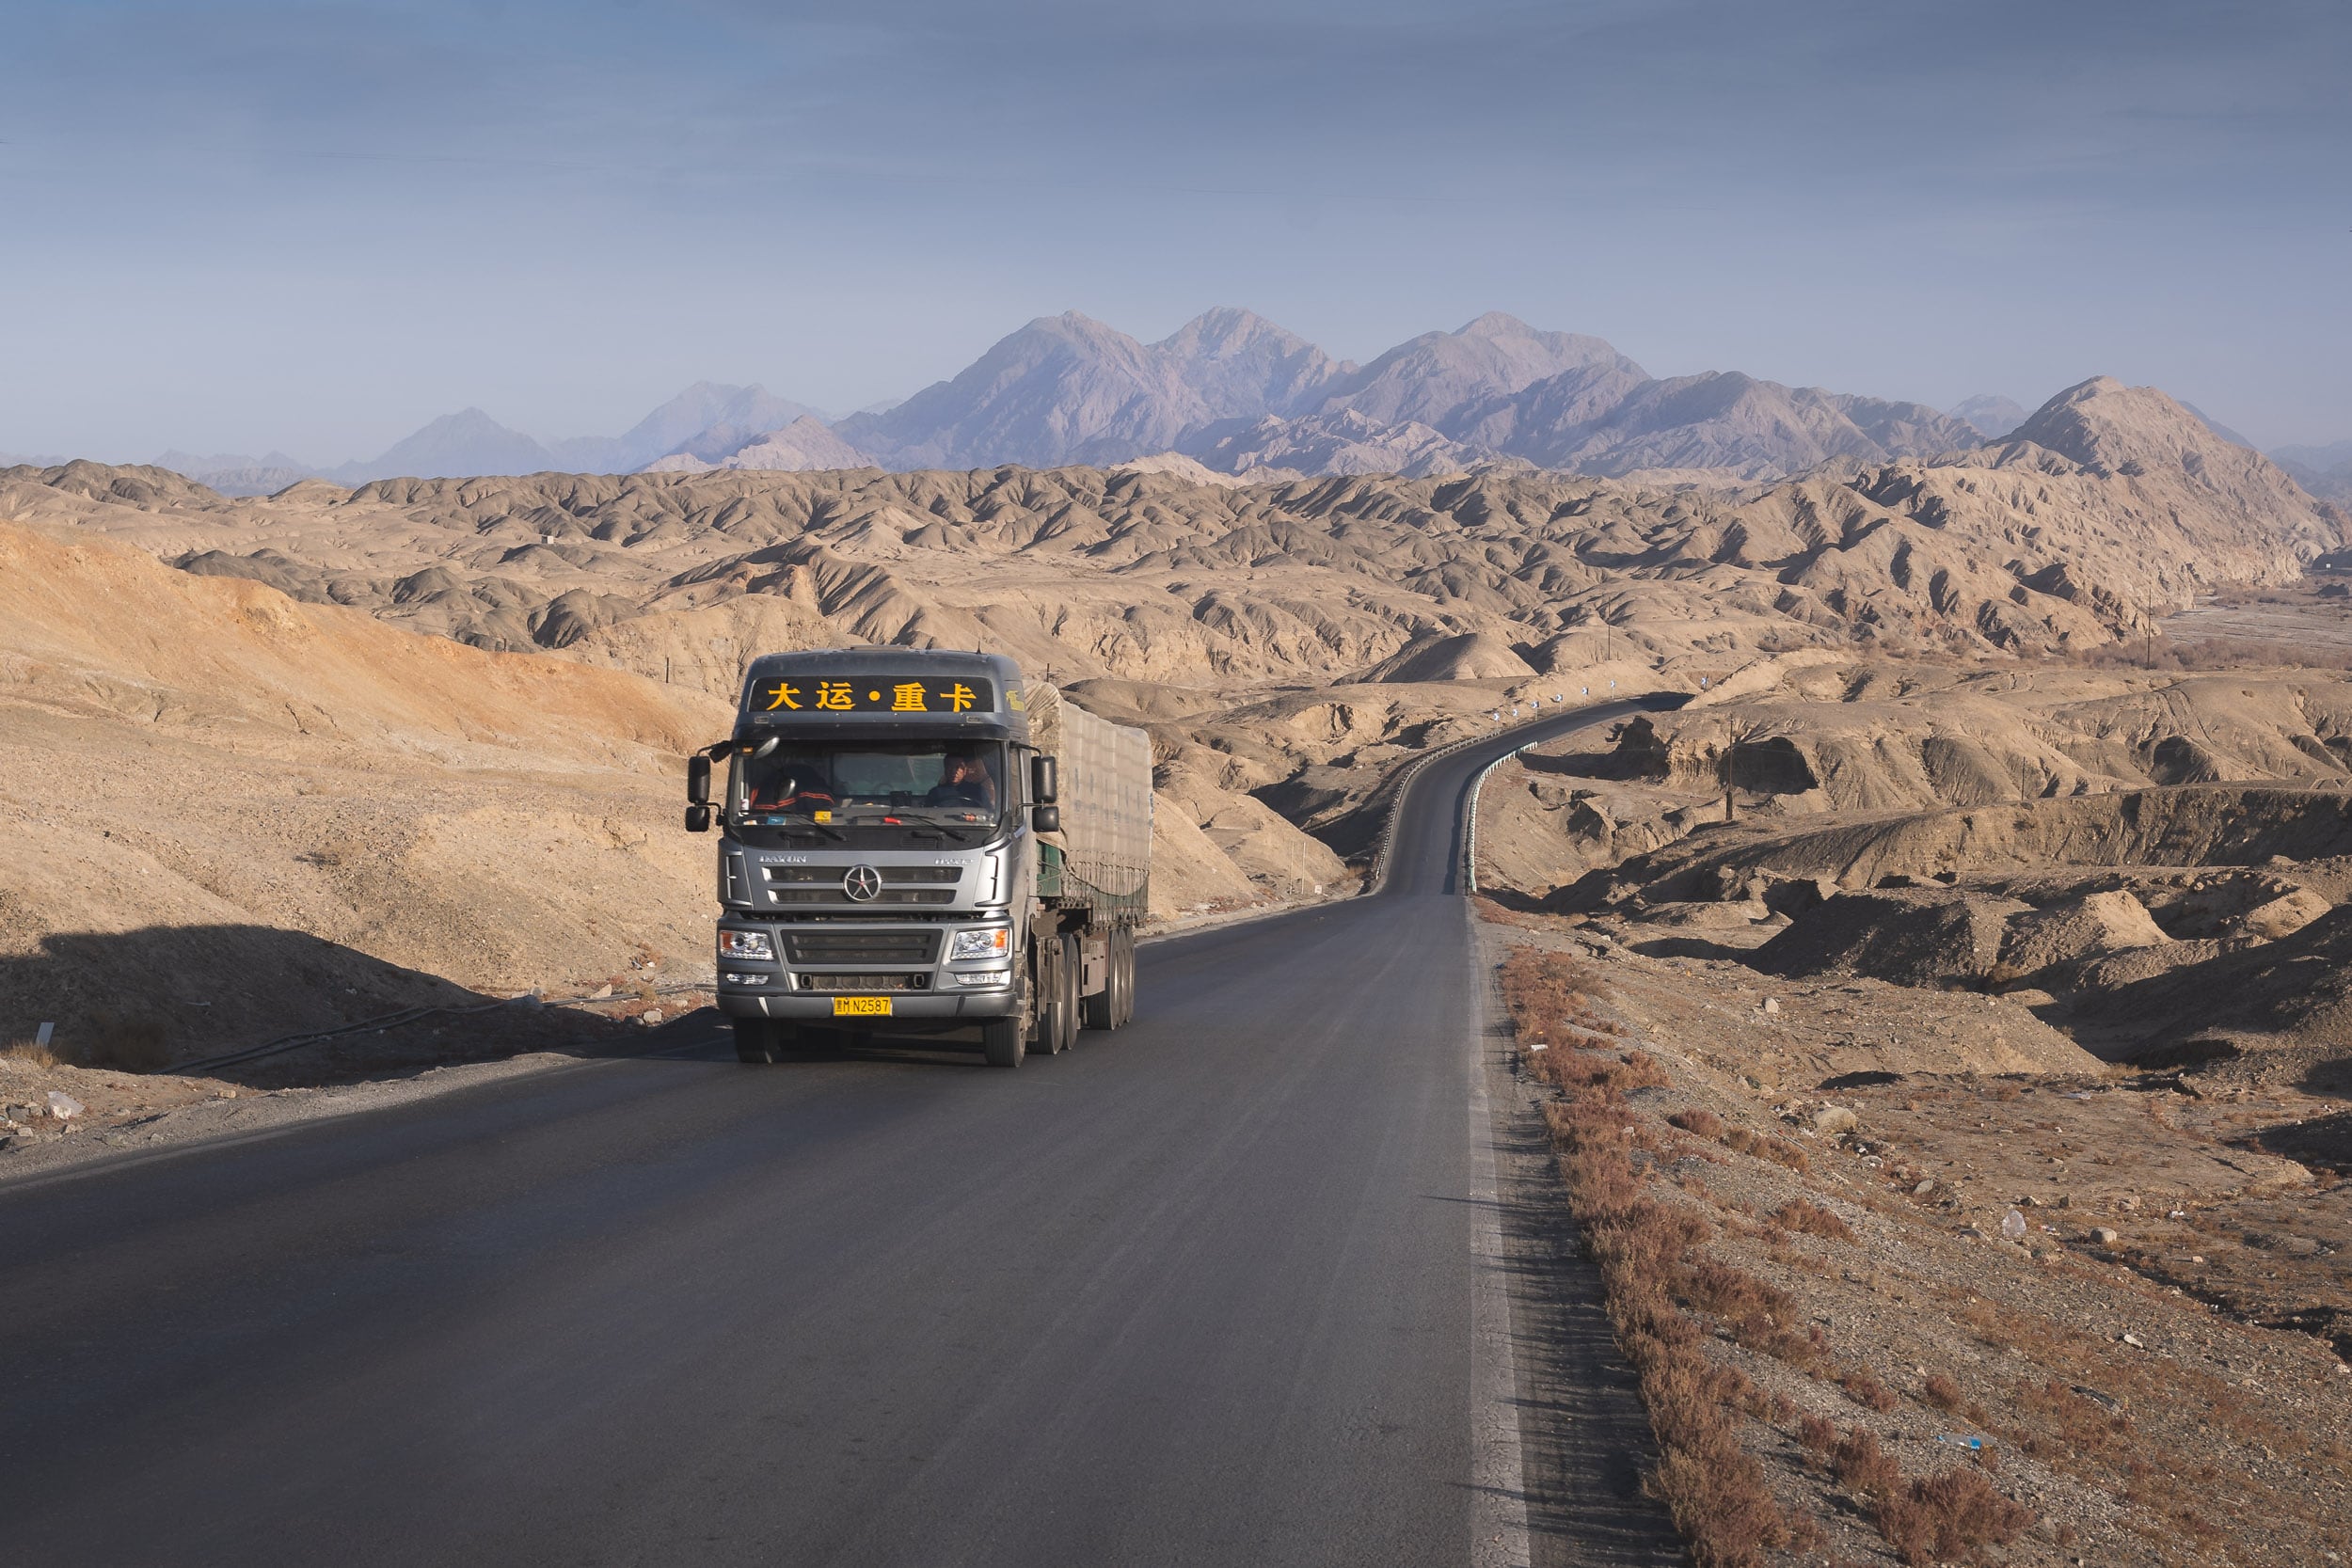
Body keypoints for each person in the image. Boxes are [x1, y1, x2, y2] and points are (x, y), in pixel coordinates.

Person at [926, 750, 996, 812]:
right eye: (950, 767)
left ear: (965, 770)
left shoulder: (978, 791)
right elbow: (927, 815)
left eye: (958, 767)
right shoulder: (935, 793)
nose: (954, 771)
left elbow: (989, 814)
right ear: (945, 769)